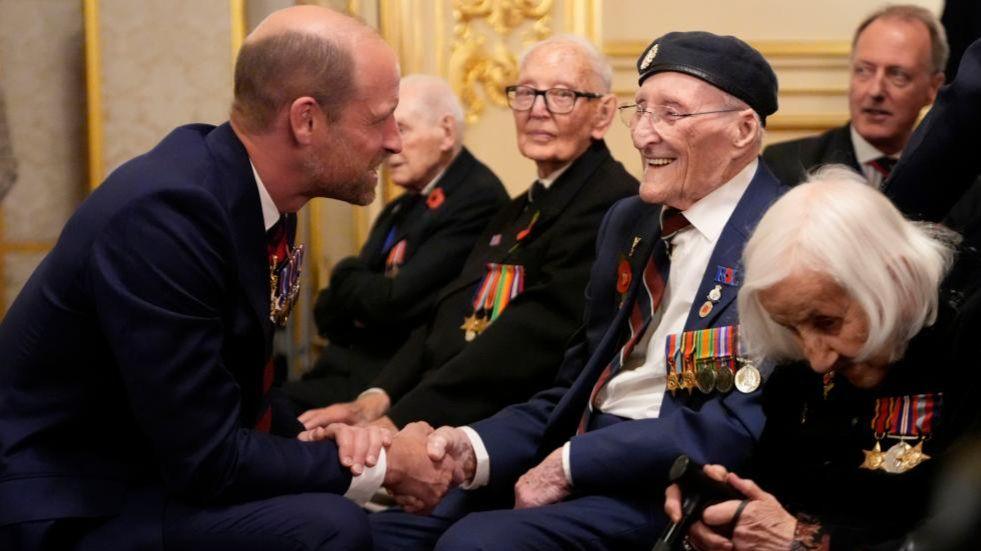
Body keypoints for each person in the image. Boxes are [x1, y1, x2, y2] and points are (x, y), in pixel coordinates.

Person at [0, 6, 451, 550]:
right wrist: (379, 466)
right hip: (73, 504)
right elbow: (207, 459)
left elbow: (236, 398)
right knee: (331, 526)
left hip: (148, 472)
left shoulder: (247, 192)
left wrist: (335, 439)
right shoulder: (168, 216)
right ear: (306, 120)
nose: (393, 141)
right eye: (379, 117)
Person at [368, 30, 786, 550]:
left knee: (477, 543)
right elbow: (576, 387)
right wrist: (473, 449)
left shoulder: (782, 235)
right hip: (574, 453)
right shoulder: (630, 221)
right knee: (372, 534)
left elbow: (734, 427)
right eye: (643, 110)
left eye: (671, 114)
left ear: (743, 130)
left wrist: (570, 464)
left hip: (662, 488)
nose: (642, 135)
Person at [297, 35, 637, 432]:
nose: (537, 110)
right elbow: (446, 314)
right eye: (525, 93)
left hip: (520, 426)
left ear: (603, 114)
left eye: (562, 95)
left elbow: (519, 345)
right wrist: (376, 398)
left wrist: (397, 421)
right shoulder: (520, 208)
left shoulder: (610, 204)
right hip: (455, 411)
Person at [666, 167, 981, 550]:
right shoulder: (808, 328)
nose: (816, 359)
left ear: (893, 280)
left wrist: (806, 542)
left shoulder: (967, 334)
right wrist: (725, 509)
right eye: (793, 328)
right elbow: (783, 478)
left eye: (828, 322)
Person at [282, 75, 507, 412]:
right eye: (385, 130)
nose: (390, 146)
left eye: (403, 129)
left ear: (446, 133)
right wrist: (360, 289)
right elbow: (328, 311)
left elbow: (392, 302)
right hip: (351, 366)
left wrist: (346, 272)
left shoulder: (477, 197)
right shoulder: (405, 204)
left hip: (395, 384)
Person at [763, 5, 947, 189]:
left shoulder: (960, 178)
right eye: (864, 70)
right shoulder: (785, 168)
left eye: (897, 75)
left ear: (933, 88)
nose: (875, 91)